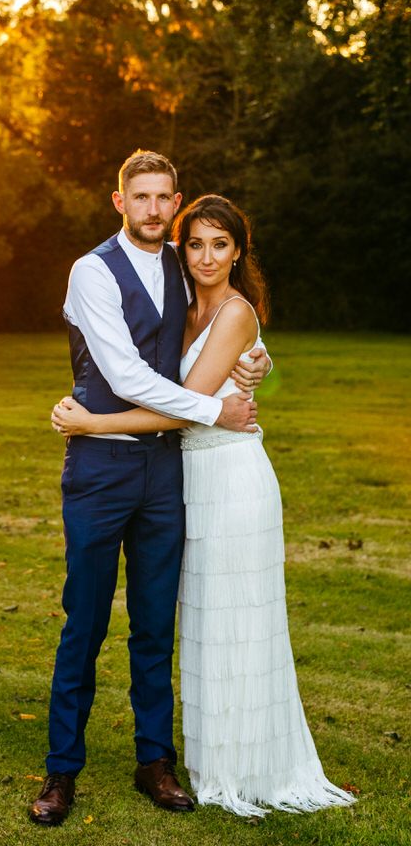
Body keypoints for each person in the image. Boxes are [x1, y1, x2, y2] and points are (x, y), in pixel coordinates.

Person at [52, 193, 355, 818]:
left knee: (229, 623)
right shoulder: (175, 294)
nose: (206, 254)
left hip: (230, 479)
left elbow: (181, 401)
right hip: (188, 478)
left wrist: (92, 425)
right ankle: (184, 761)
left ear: (239, 251)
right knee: (203, 625)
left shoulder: (235, 311)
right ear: (180, 247)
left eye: (220, 244)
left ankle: (234, 765)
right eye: (196, 243)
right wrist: (240, 385)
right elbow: (168, 383)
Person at [29, 151, 271, 828]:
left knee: (155, 625)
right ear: (119, 202)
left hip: (167, 471)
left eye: (165, 198)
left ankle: (154, 762)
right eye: (142, 197)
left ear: (176, 200)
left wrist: (257, 366)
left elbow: (224, 333)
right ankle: (61, 771)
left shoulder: (183, 264)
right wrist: (214, 411)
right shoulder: (91, 272)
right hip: (100, 470)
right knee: (85, 622)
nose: (154, 210)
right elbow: (130, 375)